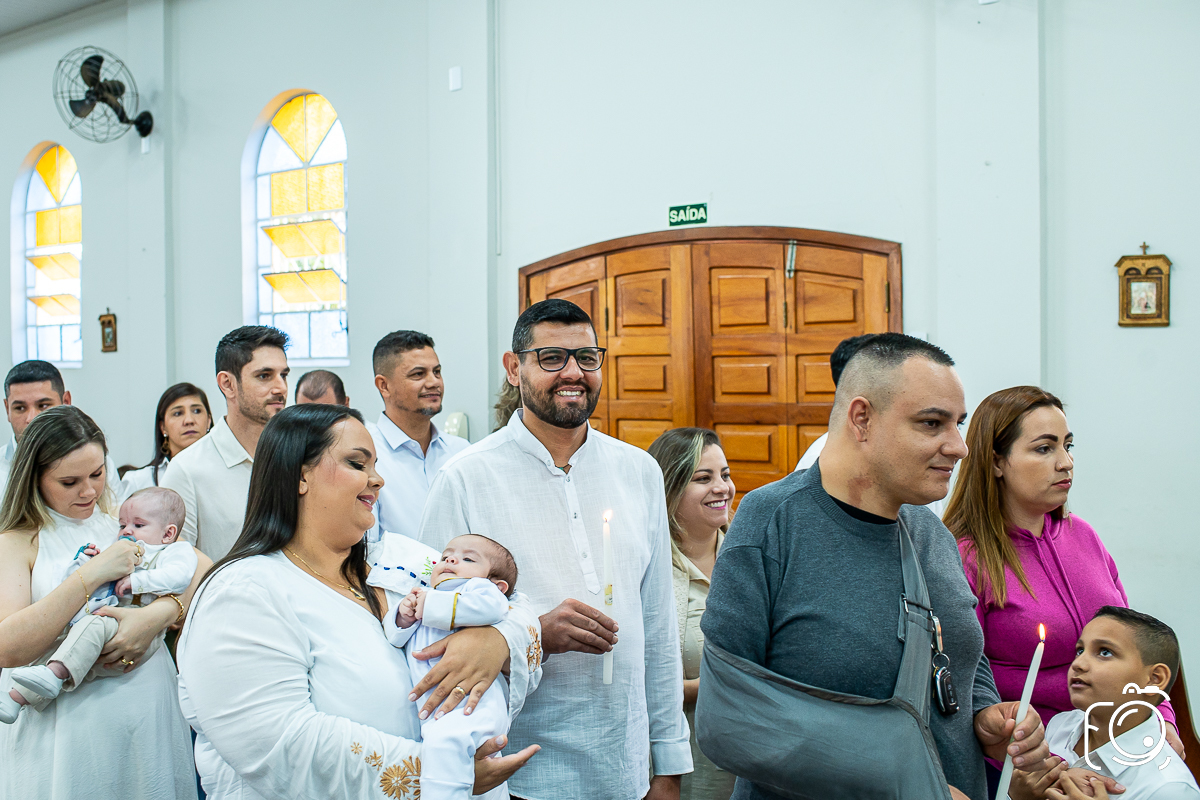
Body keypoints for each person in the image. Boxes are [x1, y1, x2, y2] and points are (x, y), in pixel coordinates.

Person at [699, 334, 1049, 800]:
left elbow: (958, 652)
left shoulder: (932, 534)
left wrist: (985, 714)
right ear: (862, 418)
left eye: (958, 424)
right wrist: (904, 786)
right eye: (932, 423)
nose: (959, 447)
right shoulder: (772, 524)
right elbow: (729, 718)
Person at [176, 403, 543, 800]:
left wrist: (495, 641)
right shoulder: (242, 593)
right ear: (300, 475)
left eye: (375, 466)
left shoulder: (400, 560)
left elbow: (513, 600)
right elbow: (279, 742)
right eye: (357, 463)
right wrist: (443, 772)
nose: (378, 479)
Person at [419, 299, 692, 800]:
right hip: (518, 773)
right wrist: (536, 633)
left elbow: (658, 628)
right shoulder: (465, 478)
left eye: (587, 358)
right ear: (513, 368)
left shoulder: (638, 471)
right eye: (551, 358)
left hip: (626, 766)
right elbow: (432, 632)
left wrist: (669, 763)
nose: (573, 373)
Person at [943, 386, 1181, 755]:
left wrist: (1162, 718)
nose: (1065, 463)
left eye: (1067, 446)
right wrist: (1040, 765)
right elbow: (965, 685)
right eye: (1044, 448)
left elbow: (1133, 648)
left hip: (1112, 743)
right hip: (1025, 758)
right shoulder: (965, 557)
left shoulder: (1083, 535)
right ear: (996, 462)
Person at [0, 405, 209, 800]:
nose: (89, 492)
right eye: (69, 481)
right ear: (35, 478)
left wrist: (157, 616)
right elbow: (7, 647)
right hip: (67, 729)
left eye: (97, 474)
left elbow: (201, 569)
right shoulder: (17, 541)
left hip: (146, 713)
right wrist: (91, 575)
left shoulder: (122, 521)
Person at [1, 487, 197, 722]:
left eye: (138, 525)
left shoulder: (173, 550)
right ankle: (16, 698)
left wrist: (139, 582)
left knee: (87, 635)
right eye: (122, 525)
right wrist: (87, 562)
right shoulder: (121, 545)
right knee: (62, 645)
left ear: (168, 533)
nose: (127, 531)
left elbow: (181, 576)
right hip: (108, 616)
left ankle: (53, 677)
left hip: (135, 622)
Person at [378, 534, 519, 800]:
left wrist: (430, 604)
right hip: (440, 710)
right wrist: (403, 617)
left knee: (446, 746)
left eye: (468, 559)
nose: (451, 560)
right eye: (445, 556)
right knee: (461, 766)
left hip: (472, 704)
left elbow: (491, 608)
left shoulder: (480, 591)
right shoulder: (426, 596)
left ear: (497, 584)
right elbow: (394, 638)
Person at [1016, 607, 1198, 800]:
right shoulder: (1059, 726)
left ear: (1154, 679)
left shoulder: (1169, 788)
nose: (1078, 664)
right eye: (1080, 651)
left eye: (1105, 652)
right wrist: (1018, 795)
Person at [648, 427, 736, 800]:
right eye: (703, 478)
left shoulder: (750, 556)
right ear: (669, 489)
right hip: (683, 766)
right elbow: (630, 679)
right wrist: (703, 689)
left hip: (756, 757)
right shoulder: (649, 572)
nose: (722, 488)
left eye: (725, 475)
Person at [162, 326, 290, 560]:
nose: (281, 387)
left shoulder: (296, 456)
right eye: (264, 376)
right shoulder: (187, 470)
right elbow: (176, 566)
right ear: (228, 384)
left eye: (284, 375)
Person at [367, 331, 469, 541]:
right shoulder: (366, 459)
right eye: (418, 374)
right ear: (384, 386)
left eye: (437, 372)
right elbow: (368, 549)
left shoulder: (461, 452)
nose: (434, 382)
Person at [1, 360, 125, 500]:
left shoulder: (97, 465)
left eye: (43, 406)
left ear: (66, 402)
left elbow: (114, 512)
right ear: (7, 409)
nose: (32, 419)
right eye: (20, 408)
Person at [123, 383, 214, 493]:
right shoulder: (138, 482)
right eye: (178, 413)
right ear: (163, 427)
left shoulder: (227, 471)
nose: (189, 420)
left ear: (209, 421)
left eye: (196, 411)